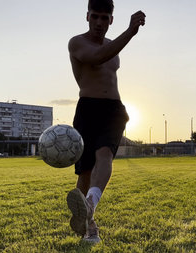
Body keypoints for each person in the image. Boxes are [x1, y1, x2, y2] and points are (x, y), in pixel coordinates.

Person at [66, 0, 146, 243]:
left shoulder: (114, 47)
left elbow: (108, 58)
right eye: (95, 17)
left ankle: (90, 206)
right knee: (86, 171)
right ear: (87, 16)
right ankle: (90, 225)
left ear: (111, 19)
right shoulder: (77, 42)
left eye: (104, 18)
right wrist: (131, 32)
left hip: (113, 109)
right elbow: (98, 57)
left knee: (105, 155)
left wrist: (126, 35)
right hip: (87, 108)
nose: (99, 22)